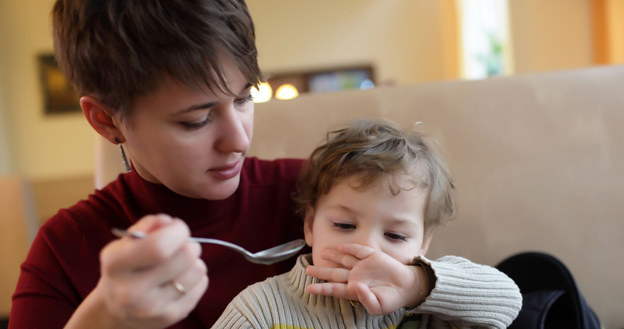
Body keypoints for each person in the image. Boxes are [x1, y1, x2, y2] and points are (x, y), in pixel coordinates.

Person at [9, 1, 519, 329]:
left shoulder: (325, 195)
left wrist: (422, 285)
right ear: (105, 120)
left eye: (245, 98)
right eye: (196, 120)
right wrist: (105, 320)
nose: (239, 139)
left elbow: (464, 295)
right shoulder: (65, 249)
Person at [211, 119, 522, 329]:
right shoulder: (260, 310)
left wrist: (414, 285)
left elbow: (508, 302)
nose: (367, 247)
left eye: (395, 235)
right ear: (309, 226)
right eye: (344, 225)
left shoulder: (429, 300)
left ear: (422, 243)